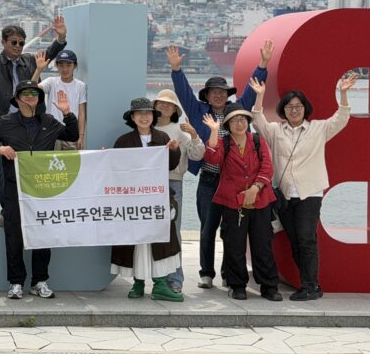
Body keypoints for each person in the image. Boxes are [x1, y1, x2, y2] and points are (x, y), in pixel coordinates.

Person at [166, 41, 273, 289]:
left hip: (235, 181)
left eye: (223, 91)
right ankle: (206, 273)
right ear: (206, 95)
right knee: (207, 229)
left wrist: (263, 64)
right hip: (210, 180)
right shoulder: (198, 112)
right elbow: (183, 93)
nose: (218, 94)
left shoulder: (237, 111)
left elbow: (250, 92)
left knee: (232, 231)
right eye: (214, 91)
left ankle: (229, 272)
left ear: (228, 94)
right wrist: (176, 70)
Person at [249, 73, 357, 301]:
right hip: (285, 195)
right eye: (289, 106)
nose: (294, 110)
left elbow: (342, 118)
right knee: (295, 241)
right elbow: (257, 120)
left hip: (310, 193)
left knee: (307, 238)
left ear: (305, 109)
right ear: (283, 110)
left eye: (298, 106)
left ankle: (309, 286)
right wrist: (259, 96)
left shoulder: (318, 129)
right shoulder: (276, 131)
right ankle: (311, 285)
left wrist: (343, 93)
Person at [0, 80, 78, 299]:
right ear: (17, 99)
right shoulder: (5, 122)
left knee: (43, 235)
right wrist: (0, 148)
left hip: (42, 189)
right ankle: (16, 282)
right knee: (13, 236)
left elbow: (72, 135)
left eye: (35, 93)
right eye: (26, 93)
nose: (31, 96)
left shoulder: (49, 121)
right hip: (14, 189)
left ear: (39, 98)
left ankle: (40, 281)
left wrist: (68, 112)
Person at [0, 16, 68, 227]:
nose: (18, 46)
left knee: (34, 168)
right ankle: (6, 213)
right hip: (5, 124)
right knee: (4, 172)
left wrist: (62, 35)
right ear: (4, 42)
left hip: (30, 122)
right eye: (13, 42)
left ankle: (35, 210)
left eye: (21, 42)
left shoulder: (29, 60)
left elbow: (51, 52)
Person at [202, 103, 281, 301]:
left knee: (262, 244)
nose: (240, 123)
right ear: (227, 124)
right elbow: (212, 158)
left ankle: (269, 286)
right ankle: (237, 285)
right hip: (232, 202)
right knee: (234, 245)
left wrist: (255, 188)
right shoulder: (224, 143)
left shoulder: (256, 140)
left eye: (243, 119)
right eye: (235, 120)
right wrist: (213, 131)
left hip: (260, 199)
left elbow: (267, 167)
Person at [109, 98, 184, 302]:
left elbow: (170, 165)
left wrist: (174, 150)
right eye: (139, 113)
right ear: (132, 118)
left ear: (153, 117)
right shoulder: (123, 141)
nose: (144, 117)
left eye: (148, 113)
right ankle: (138, 283)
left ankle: (160, 284)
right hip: (132, 201)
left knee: (159, 240)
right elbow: (114, 169)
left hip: (157, 198)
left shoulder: (162, 137)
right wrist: (103, 158)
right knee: (136, 242)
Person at [152, 89, 205, 293]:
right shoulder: (149, 127)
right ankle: (157, 278)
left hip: (173, 183)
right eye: (160, 103)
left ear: (175, 108)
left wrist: (193, 134)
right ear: (155, 106)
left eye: (169, 104)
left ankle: (176, 279)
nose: (164, 106)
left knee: (174, 232)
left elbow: (197, 155)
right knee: (152, 232)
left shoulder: (180, 130)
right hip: (149, 185)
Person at [33, 49, 87, 150]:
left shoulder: (80, 86)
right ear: (56, 66)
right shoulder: (51, 82)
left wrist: (81, 137)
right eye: (61, 65)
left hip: (71, 133)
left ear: (74, 66)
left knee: (71, 164)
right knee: (51, 163)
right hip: (52, 133)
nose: (65, 69)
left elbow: (82, 113)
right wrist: (39, 70)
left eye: (68, 65)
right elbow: (32, 89)